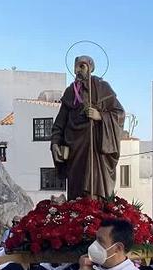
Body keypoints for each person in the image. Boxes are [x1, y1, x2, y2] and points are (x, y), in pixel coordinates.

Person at [50, 55, 125, 200]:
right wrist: (55, 143)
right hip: (74, 150)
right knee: (76, 193)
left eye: (82, 66)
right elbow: (59, 123)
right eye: (76, 66)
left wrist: (100, 116)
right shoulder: (70, 92)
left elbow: (119, 113)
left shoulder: (103, 88)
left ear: (90, 67)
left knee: (94, 194)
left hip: (96, 150)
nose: (78, 70)